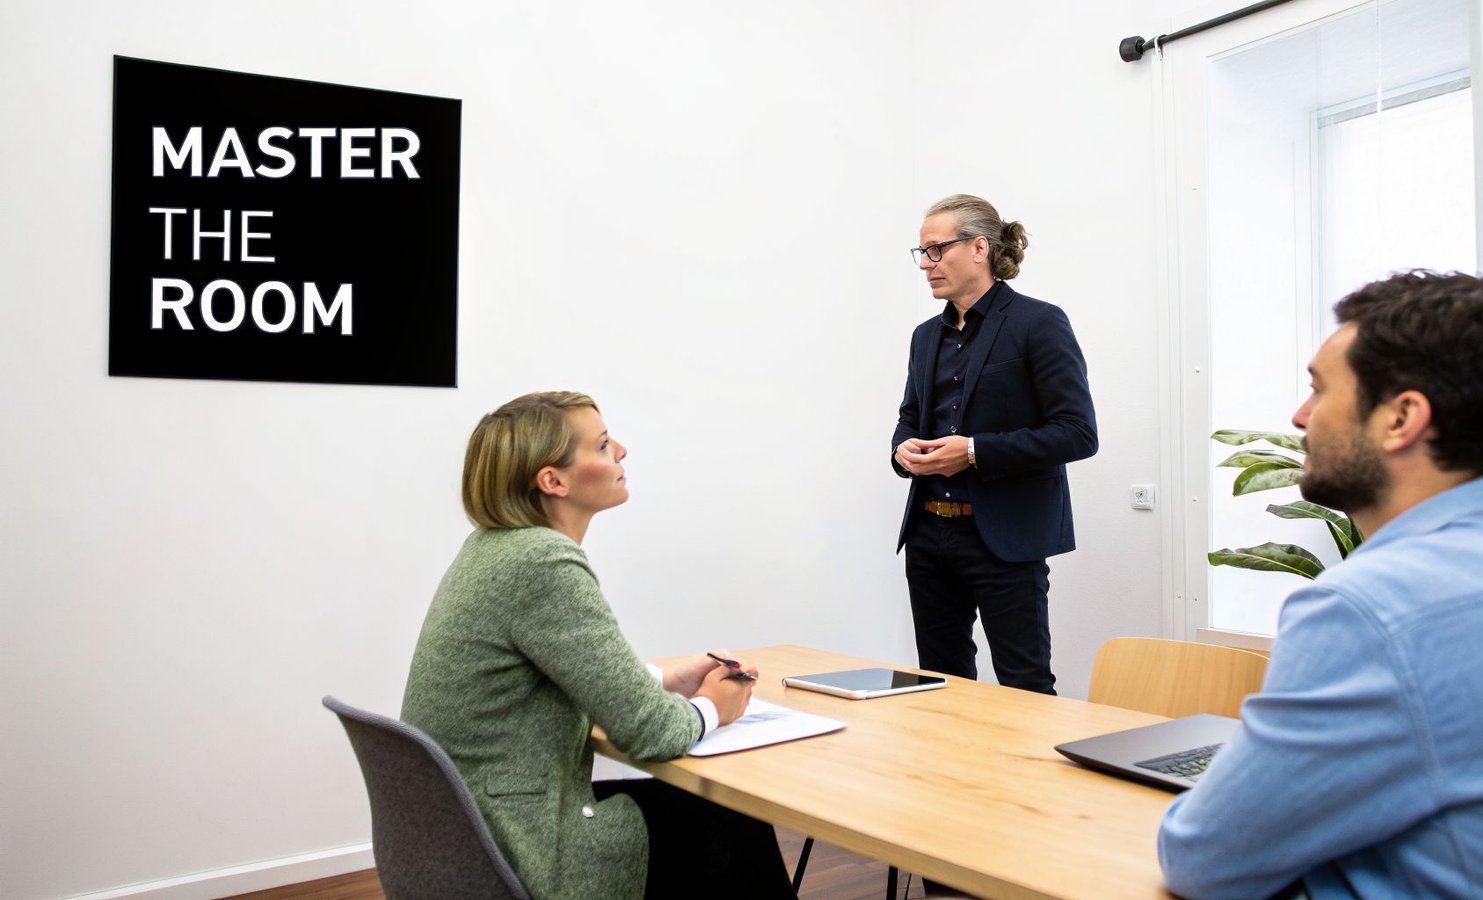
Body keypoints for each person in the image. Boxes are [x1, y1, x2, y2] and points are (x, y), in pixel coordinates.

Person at [1159, 271, 1483, 899]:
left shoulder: (1374, 608)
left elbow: (1206, 861)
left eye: (1319, 390)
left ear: (1401, 418)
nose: (1300, 416)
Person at [401, 391, 794, 900]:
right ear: (553, 480)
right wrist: (713, 708)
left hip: (468, 829)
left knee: (708, 819)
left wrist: (665, 681)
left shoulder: (494, 547)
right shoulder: (542, 561)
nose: (623, 452)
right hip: (519, 839)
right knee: (729, 820)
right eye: (604, 445)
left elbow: (558, 669)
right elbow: (651, 732)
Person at [892, 193, 1098, 695]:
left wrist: (974, 450)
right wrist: (902, 451)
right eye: (921, 253)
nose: (926, 264)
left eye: (937, 250)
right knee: (937, 685)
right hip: (928, 536)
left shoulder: (1039, 322)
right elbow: (908, 419)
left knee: (1024, 687)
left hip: (1006, 541)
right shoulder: (925, 337)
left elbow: (1077, 432)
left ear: (980, 247)